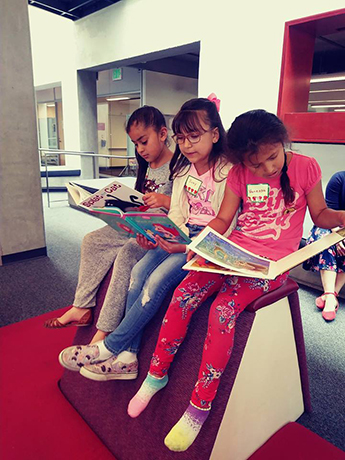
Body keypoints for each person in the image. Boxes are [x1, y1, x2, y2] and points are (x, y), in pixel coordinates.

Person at [127, 110, 345, 452]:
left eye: (272, 158)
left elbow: (320, 215)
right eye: (256, 165)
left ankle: (199, 406)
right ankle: (157, 374)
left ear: (282, 143)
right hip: (233, 251)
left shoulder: (306, 167)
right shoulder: (240, 173)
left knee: (223, 311)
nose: (267, 169)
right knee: (184, 294)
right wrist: (198, 246)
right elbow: (224, 218)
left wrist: (342, 217)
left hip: (271, 263)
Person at [58, 97, 237, 379]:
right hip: (182, 232)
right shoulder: (184, 170)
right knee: (138, 270)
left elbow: (227, 222)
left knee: (154, 280)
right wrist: (158, 233)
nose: (187, 144)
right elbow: (178, 212)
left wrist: (187, 243)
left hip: (207, 242)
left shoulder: (229, 172)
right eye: (182, 138)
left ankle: (109, 346)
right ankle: (128, 358)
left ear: (214, 134)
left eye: (194, 136)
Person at [44, 106, 173, 344]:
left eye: (143, 141)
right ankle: (81, 306)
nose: (140, 149)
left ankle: (104, 330)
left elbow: (185, 207)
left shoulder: (178, 166)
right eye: (135, 144)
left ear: (163, 134)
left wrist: (165, 201)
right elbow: (139, 199)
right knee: (91, 241)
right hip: (136, 222)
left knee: (125, 255)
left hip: (157, 232)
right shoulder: (146, 166)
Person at [303, 171, 345, 321]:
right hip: (330, 226)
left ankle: (331, 295)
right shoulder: (339, 179)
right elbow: (327, 214)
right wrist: (337, 236)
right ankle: (330, 294)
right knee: (324, 238)